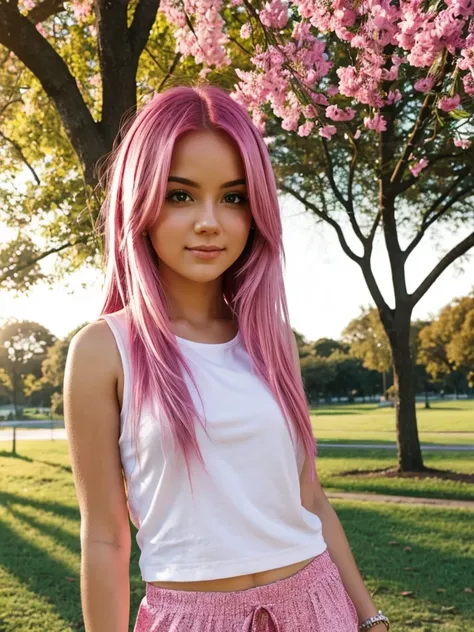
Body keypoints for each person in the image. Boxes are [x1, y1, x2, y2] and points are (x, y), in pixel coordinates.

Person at [64, 84, 390, 632]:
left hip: (318, 607)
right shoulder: (102, 351)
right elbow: (104, 536)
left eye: (234, 197)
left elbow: (309, 495)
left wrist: (370, 617)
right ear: (139, 201)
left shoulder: (273, 339)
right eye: (181, 194)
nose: (209, 221)